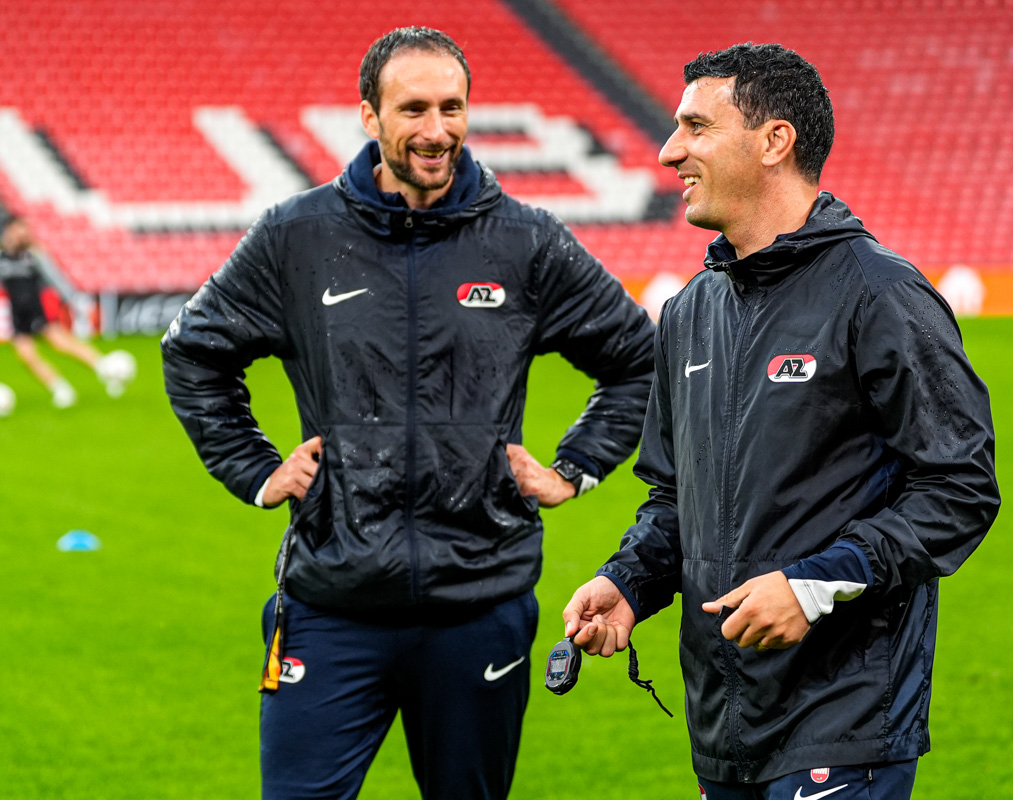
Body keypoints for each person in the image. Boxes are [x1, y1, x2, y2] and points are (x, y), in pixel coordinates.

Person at [160, 26, 655, 800]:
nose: (436, 130)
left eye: (452, 108)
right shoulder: (297, 237)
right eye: (414, 109)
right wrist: (255, 470)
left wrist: (575, 468)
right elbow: (194, 352)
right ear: (369, 115)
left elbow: (638, 361)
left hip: (480, 602)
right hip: (331, 602)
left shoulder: (525, 241)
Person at [563, 43, 1001, 799]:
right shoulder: (689, 311)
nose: (669, 152)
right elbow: (673, 497)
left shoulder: (881, 295)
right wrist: (629, 581)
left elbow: (959, 488)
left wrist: (813, 585)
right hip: (724, 724)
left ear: (774, 141)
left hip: (844, 718)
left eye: (697, 127)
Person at [0, 215, 136, 407]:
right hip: (18, 315)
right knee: (26, 356)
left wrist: (73, 301)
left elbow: (55, 279)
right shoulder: (3, 260)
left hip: (39, 311)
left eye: (23, 229)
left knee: (61, 344)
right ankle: (61, 389)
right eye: (17, 229)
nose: (21, 233)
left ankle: (106, 369)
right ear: (8, 232)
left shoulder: (33, 256)